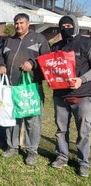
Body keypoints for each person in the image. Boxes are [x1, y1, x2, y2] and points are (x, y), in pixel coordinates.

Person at [0, 13, 50, 166]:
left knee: (32, 120)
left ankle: (32, 151)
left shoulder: (39, 39)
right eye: (16, 23)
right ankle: (12, 146)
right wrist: (0, 65)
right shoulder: (9, 41)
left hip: (30, 88)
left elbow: (47, 59)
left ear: (28, 24)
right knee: (12, 118)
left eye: (21, 23)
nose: (18, 26)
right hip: (11, 87)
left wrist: (32, 63)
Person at [50, 15, 91, 177]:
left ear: (75, 25)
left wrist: (81, 80)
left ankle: (83, 162)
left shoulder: (87, 43)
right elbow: (51, 68)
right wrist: (50, 79)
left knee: (83, 131)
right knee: (61, 130)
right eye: (62, 25)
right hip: (60, 95)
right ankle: (62, 156)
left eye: (69, 24)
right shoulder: (56, 46)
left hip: (82, 95)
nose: (66, 28)